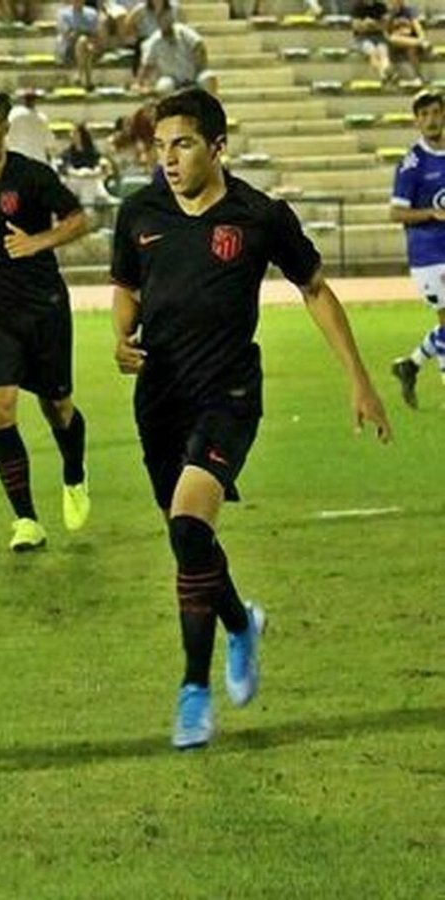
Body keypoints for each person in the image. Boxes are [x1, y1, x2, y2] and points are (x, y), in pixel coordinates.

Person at [110, 88, 391, 750]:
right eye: (160, 147)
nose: (169, 160)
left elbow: (315, 289)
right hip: (159, 400)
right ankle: (239, 622)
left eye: (182, 145)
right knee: (191, 541)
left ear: (217, 146)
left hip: (228, 397)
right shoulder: (139, 212)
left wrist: (359, 379)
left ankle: (192, 690)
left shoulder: (260, 217)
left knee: (187, 522)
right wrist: (121, 338)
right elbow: (126, 289)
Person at [0, 83, 93, 552]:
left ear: (4, 126)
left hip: (43, 308)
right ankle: (26, 519)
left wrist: (36, 242)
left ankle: (74, 473)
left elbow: (79, 219)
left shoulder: (32, 177)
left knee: (57, 407)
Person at [388, 89, 445, 408]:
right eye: (424, 115)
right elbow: (396, 212)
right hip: (428, 257)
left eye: (435, 113)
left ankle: (409, 365)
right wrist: (431, 213)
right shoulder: (412, 163)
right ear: (416, 121)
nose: (431, 120)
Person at [56, 0, 102, 90]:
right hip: (70, 48)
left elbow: (96, 34)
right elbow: (67, 34)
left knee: (86, 45)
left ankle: (80, 75)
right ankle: (88, 79)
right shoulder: (64, 14)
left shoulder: (92, 13)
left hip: (89, 45)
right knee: (83, 42)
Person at [7, 88, 53, 166]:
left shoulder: (12, 116)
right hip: (38, 161)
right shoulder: (42, 119)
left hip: (17, 160)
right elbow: (49, 143)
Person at [385, 0, 428, 84]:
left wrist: (422, 36)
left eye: (399, 1)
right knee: (394, 38)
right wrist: (391, 15)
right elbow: (386, 33)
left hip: (409, 40)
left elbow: (418, 27)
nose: (397, 2)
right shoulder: (387, 13)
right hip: (395, 42)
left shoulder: (409, 10)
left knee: (411, 49)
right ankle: (420, 43)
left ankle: (416, 76)